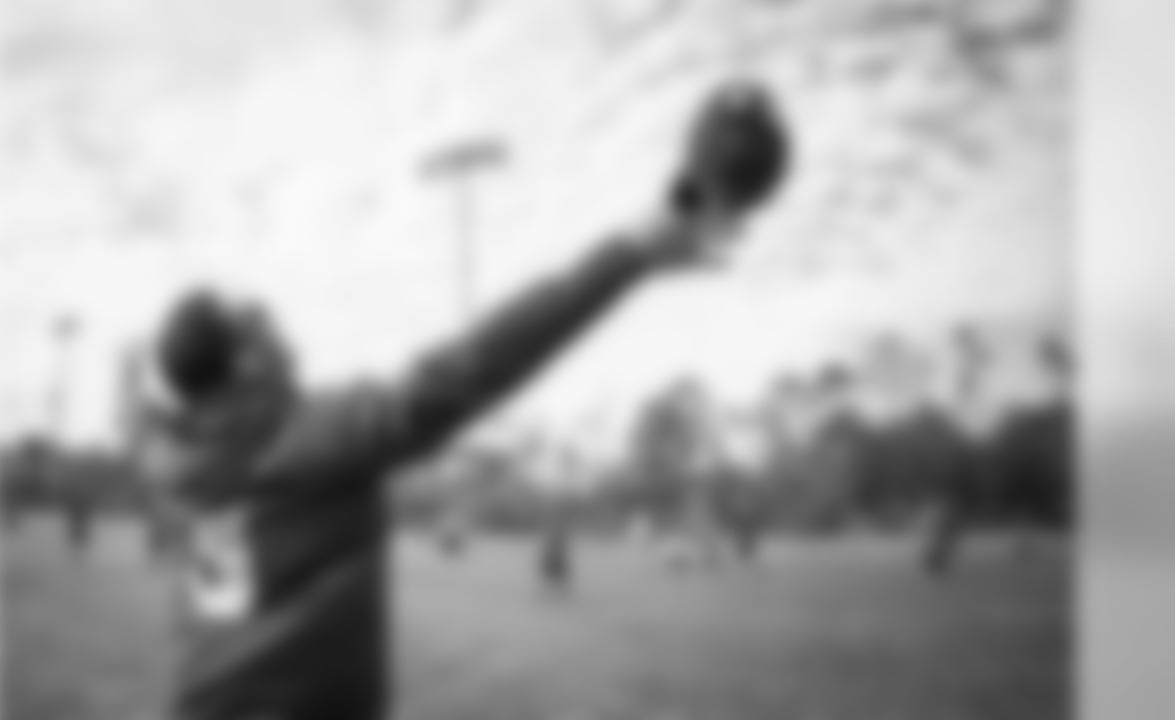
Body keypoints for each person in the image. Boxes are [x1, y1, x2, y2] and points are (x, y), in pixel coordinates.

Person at [129, 81, 789, 720]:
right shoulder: (308, 436)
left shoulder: (173, 458)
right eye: (259, 322)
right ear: (246, 363)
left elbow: (153, 391)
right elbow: (470, 367)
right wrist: (638, 244)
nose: (279, 326)